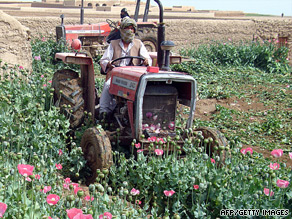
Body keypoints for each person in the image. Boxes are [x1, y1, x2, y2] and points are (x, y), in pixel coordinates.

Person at [99, 17, 152, 120]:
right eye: (127, 28)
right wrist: (109, 63)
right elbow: (103, 60)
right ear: (122, 30)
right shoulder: (113, 44)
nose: (129, 30)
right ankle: (104, 111)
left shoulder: (139, 44)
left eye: (132, 28)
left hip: (133, 76)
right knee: (107, 85)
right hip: (118, 75)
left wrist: (146, 61)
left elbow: (148, 59)